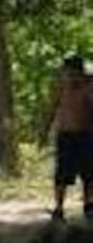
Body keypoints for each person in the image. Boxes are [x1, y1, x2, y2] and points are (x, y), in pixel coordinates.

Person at [46, 55, 93, 222]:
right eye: (67, 73)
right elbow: (53, 106)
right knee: (62, 173)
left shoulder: (89, 86)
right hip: (65, 134)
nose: (69, 76)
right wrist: (46, 127)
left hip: (86, 134)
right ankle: (59, 207)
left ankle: (89, 205)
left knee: (89, 172)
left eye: (72, 72)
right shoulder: (61, 87)